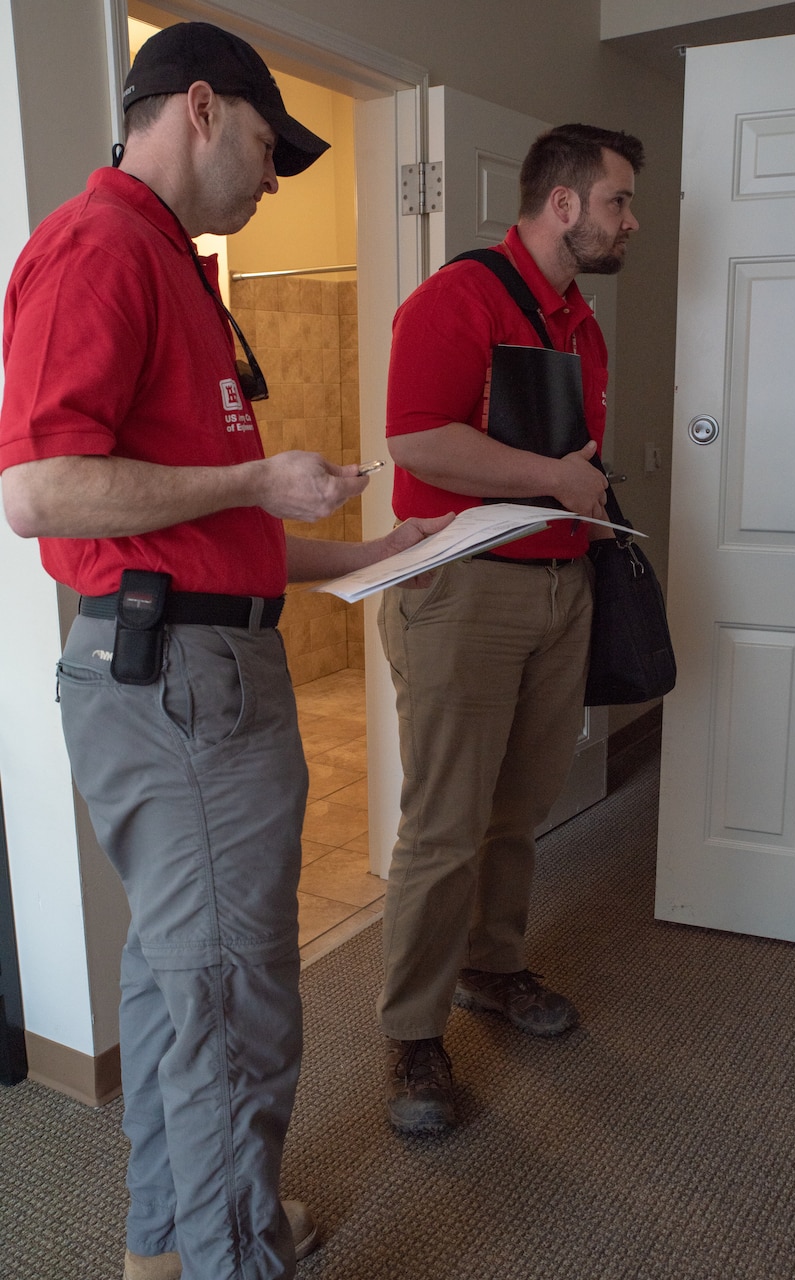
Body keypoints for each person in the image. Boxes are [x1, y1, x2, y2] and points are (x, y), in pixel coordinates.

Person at [0, 21, 449, 1280]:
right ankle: (231, 1254)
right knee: (228, 1010)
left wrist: (365, 552)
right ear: (198, 107)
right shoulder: (99, 249)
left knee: (174, 990)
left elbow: (204, 533)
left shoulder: (170, 266)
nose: (274, 176)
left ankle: (174, 1244)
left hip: (196, 667)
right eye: (267, 145)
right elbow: (41, 491)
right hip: (179, 688)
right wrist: (258, 475)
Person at [378, 123, 645, 1134]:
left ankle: (489, 968)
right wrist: (549, 477)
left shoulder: (579, 320)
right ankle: (408, 1032)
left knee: (520, 804)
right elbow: (412, 436)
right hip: (461, 594)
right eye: (617, 202)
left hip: (556, 587)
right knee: (442, 822)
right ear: (563, 204)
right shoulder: (459, 298)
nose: (628, 223)